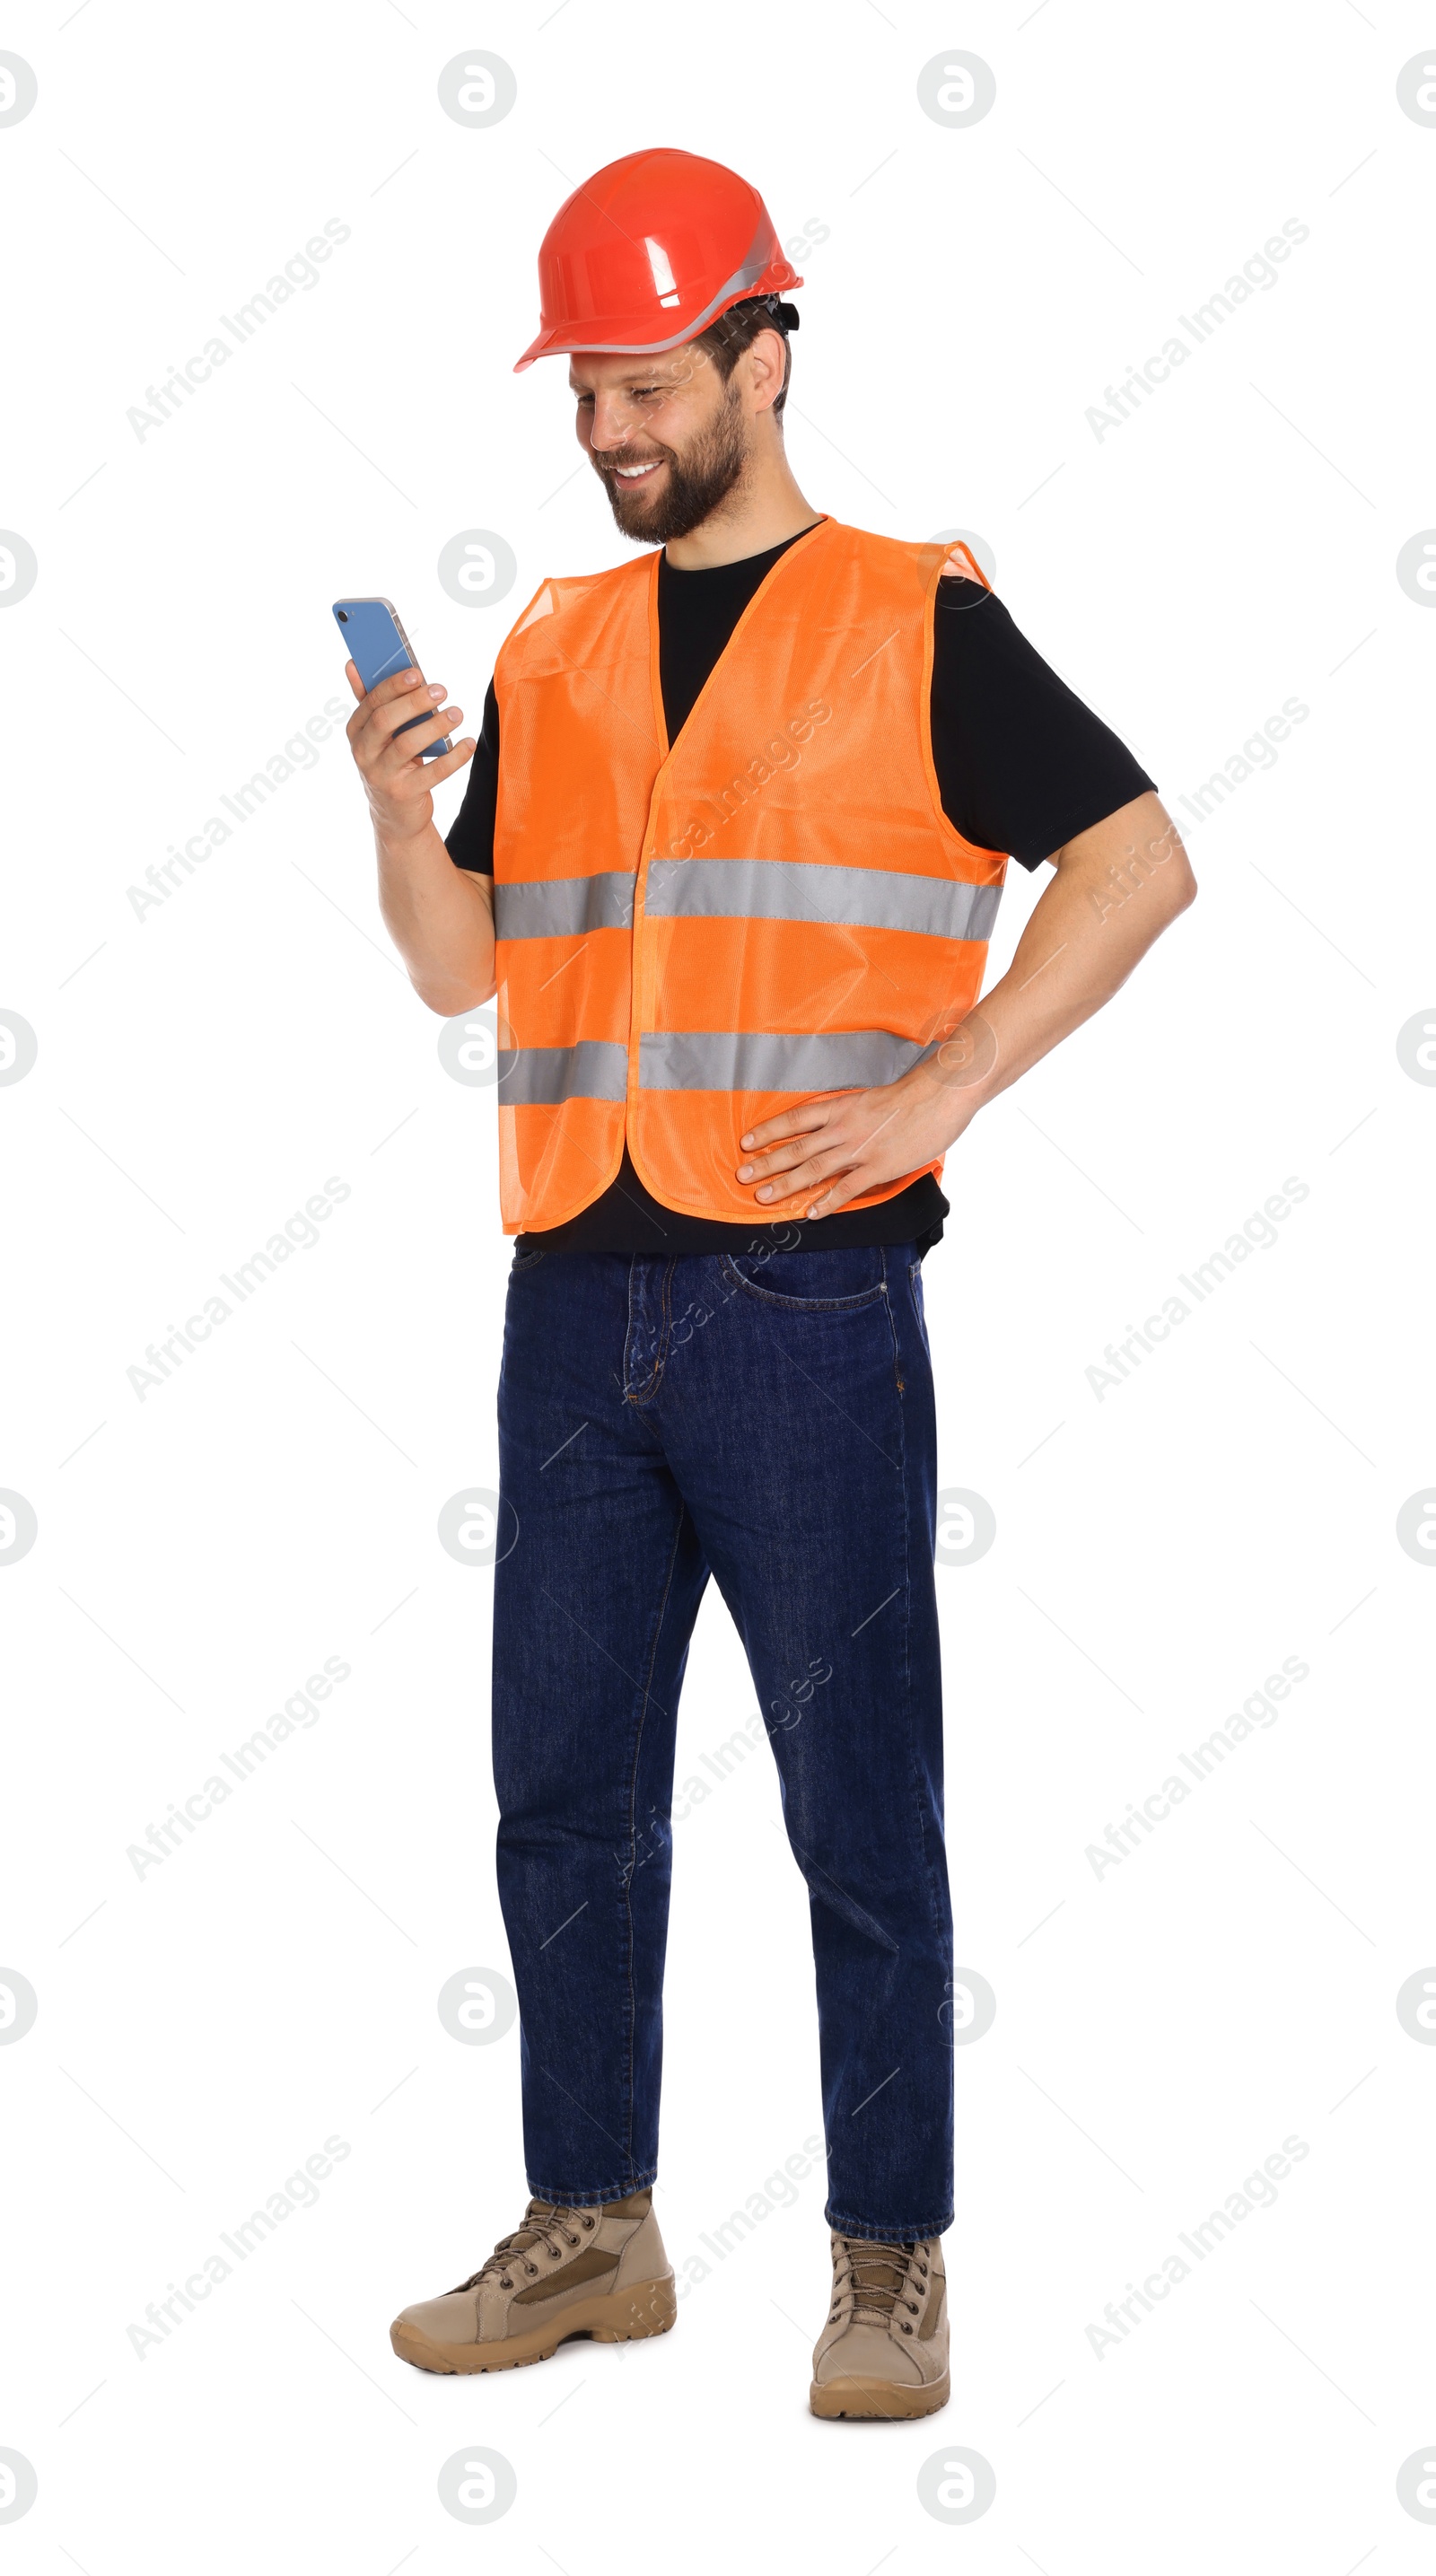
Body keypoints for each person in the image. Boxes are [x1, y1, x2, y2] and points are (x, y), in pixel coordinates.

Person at [344, 147, 1195, 2420]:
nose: (611, 434)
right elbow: (461, 966)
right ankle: (593, 2227)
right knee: (559, 1792)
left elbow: (1135, 857)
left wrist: (959, 1082)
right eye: (586, 397)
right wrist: (389, 803)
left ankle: (886, 2258)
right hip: (569, 1295)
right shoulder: (554, 640)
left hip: (806, 1300)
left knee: (852, 1795)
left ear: (761, 353)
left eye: (644, 388)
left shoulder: (911, 613)